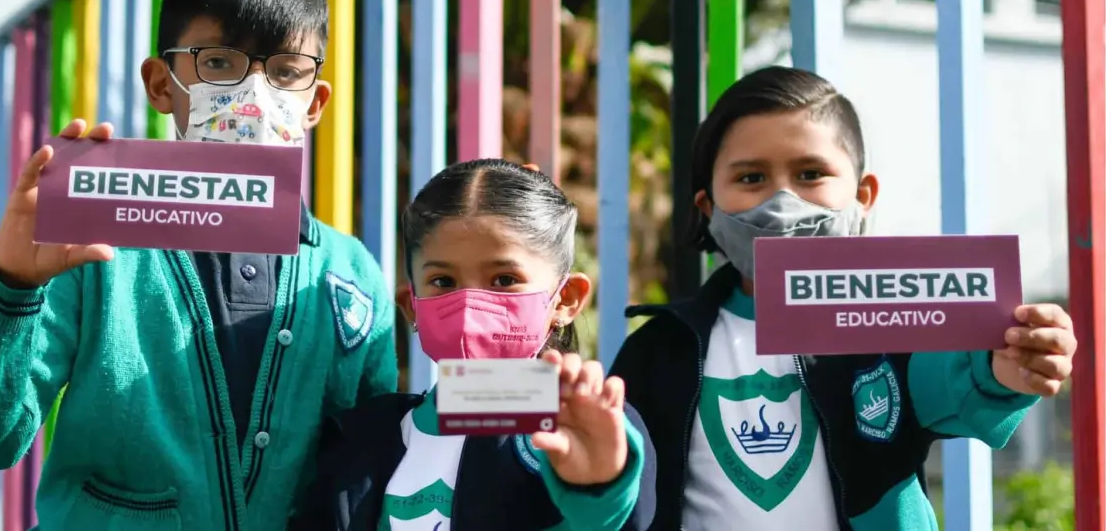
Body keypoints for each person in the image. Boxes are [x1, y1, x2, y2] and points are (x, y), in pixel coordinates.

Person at [0, 0, 397, 530]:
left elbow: (371, 475)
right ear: (160, 84)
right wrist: (13, 286)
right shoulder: (91, 246)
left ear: (315, 102)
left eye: (284, 71)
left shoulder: (348, 275)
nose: (253, 95)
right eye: (218, 63)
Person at [608, 66, 1078, 531]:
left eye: (810, 173)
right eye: (751, 179)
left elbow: (961, 373)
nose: (781, 202)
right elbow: (614, 491)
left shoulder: (892, 325)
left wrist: (1014, 360)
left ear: (863, 196)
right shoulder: (656, 352)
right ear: (708, 206)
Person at [290, 159, 657, 531]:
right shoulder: (362, 438)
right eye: (443, 281)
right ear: (411, 306)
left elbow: (618, 517)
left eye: (503, 279)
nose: (468, 304)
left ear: (565, 299)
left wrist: (601, 488)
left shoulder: (585, 427)